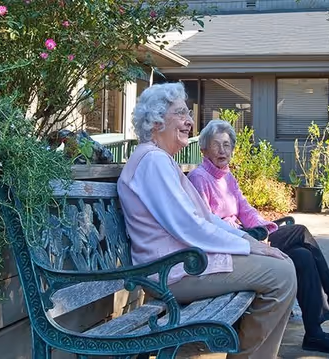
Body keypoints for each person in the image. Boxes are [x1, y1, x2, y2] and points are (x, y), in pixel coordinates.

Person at [117, 83, 297, 359]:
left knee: (282, 265)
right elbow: (189, 226)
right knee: (281, 274)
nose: (190, 121)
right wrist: (249, 247)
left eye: (188, 114)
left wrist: (247, 239)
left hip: (184, 264)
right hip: (171, 273)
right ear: (156, 121)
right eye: (181, 113)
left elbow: (206, 217)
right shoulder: (152, 162)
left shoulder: (161, 161)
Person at [188, 119, 329, 356]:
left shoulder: (227, 177)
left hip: (248, 236)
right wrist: (256, 237)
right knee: (300, 231)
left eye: (226, 145)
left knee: (302, 256)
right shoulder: (199, 178)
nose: (222, 150)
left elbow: (246, 210)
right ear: (204, 149)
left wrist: (264, 229)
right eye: (215, 145)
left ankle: (314, 334)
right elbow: (208, 226)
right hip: (233, 244)